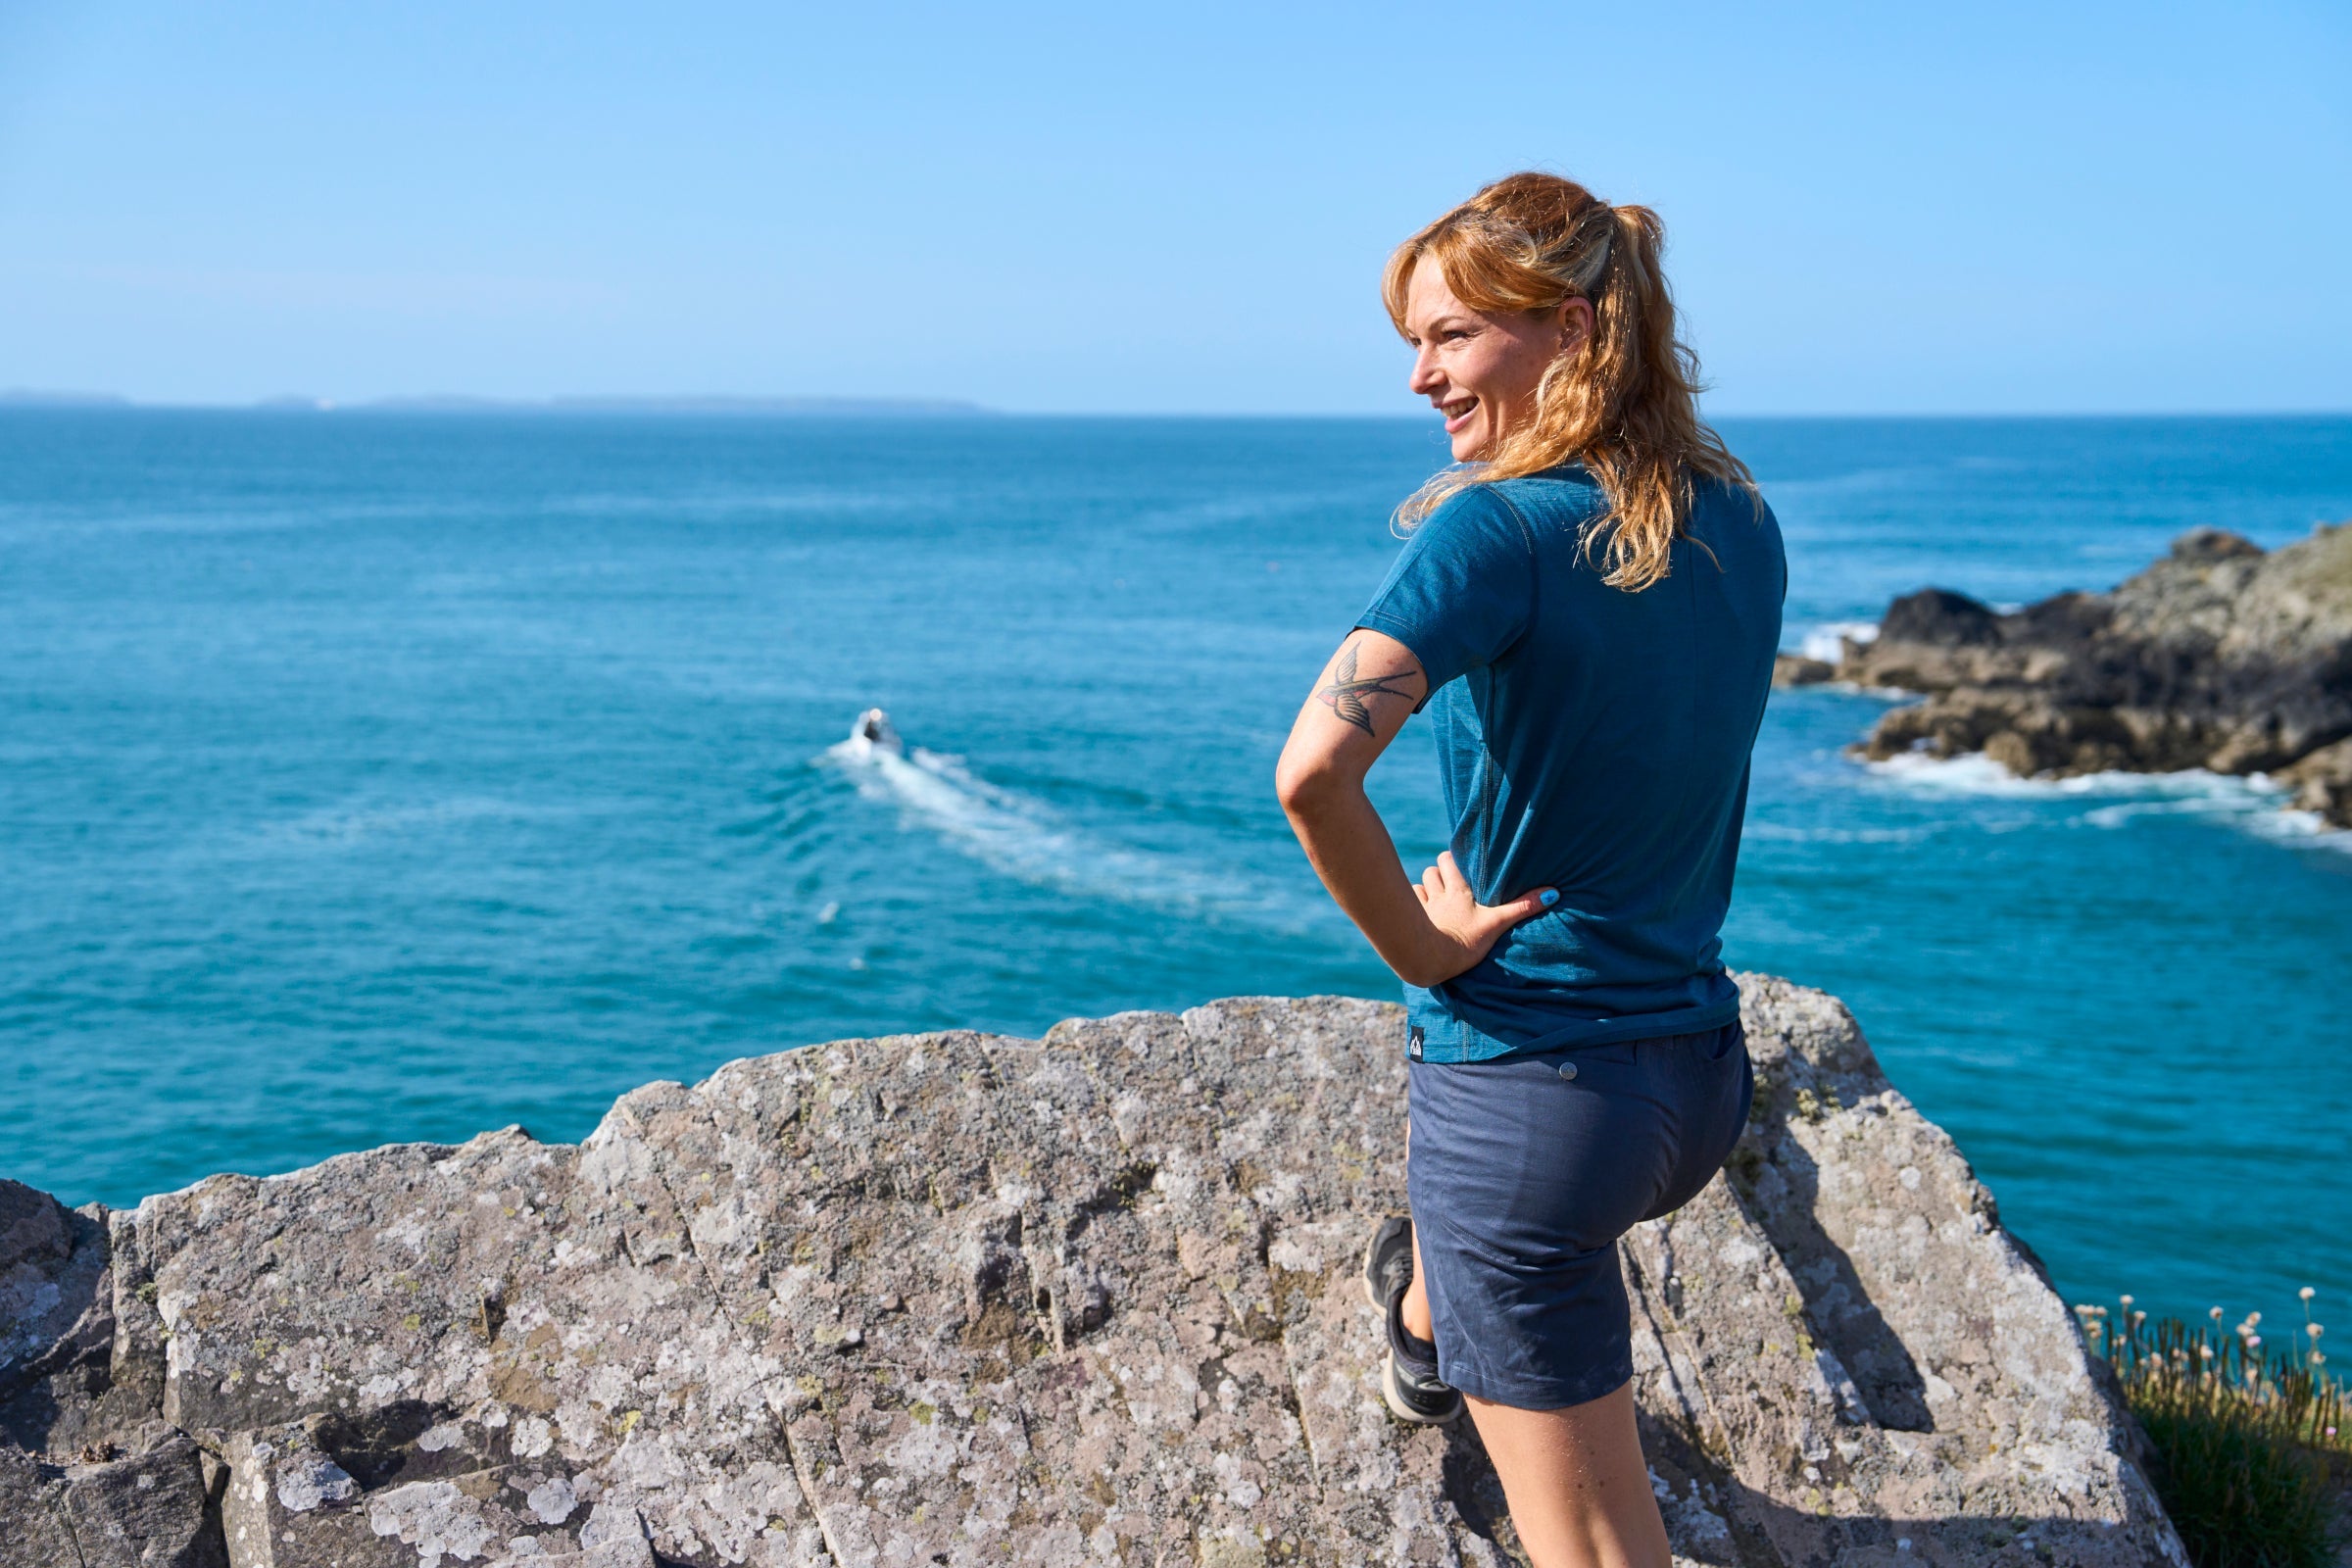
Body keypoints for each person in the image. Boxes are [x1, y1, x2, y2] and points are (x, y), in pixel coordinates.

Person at [1274, 172, 1784, 1567]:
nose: (1423, 376)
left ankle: (1454, 1300)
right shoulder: (1736, 514)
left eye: (1450, 337)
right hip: (1692, 1084)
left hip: (1539, 1109)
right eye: (1413, 344)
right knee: (1470, 1238)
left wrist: (1425, 953)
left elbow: (1310, 774)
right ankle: (1431, 1332)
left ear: (1569, 328)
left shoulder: (1493, 532)